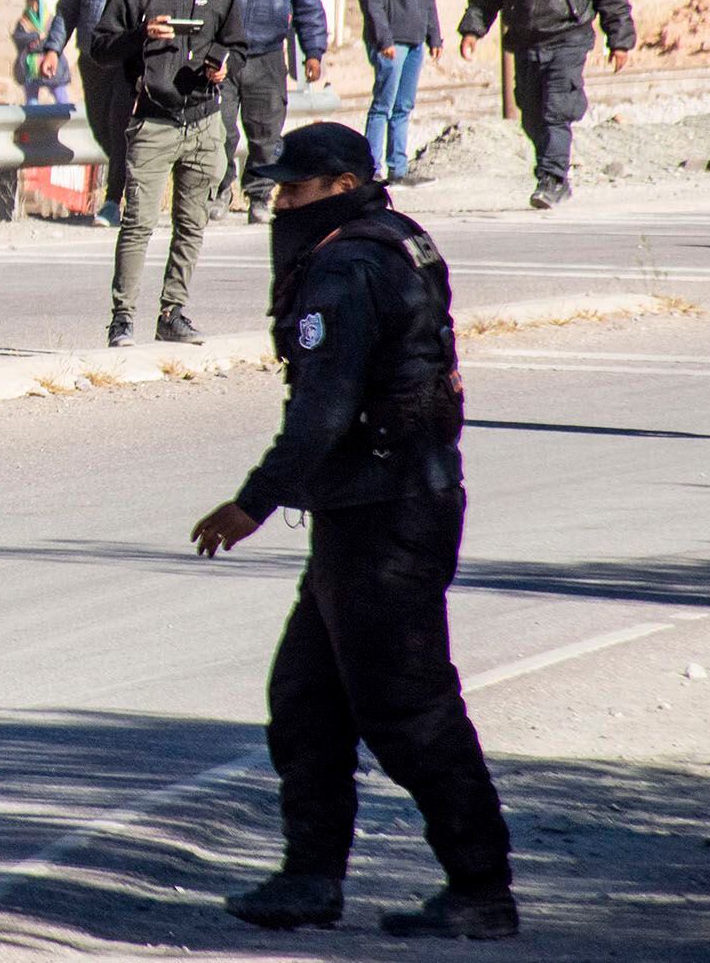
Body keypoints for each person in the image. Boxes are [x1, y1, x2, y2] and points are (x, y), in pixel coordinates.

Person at [190, 122, 516, 941]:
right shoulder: (396, 240)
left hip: (389, 515)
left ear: (339, 185)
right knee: (306, 698)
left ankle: (481, 886)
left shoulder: (348, 264)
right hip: (372, 508)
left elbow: (324, 409)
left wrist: (253, 501)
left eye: (293, 191)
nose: (280, 205)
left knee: (409, 708)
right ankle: (310, 878)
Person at [90, 0, 244, 348]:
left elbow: (238, 44)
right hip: (153, 122)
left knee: (192, 222)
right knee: (138, 223)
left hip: (203, 120)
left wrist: (223, 64)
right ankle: (122, 318)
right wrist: (141, 35)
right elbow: (100, 47)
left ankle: (173, 312)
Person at [458, 0, 632, 210]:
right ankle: (553, 177)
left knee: (556, 110)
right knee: (532, 115)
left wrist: (619, 40)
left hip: (568, 40)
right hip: (525, 44)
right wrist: (472, 30)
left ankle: (551, 179)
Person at [206, 0, 327, 225]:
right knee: (220, 130)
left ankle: (259, 196)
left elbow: (309, 9)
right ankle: (218, 192)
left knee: (266, 133)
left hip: (268, 57)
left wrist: (313, 52)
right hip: (223, 55)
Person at [42, 0, 156, 228]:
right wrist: (53, 47)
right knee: (101, 128)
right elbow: (67, 8)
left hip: (130, 57)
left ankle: (111, 201)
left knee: (120, 125)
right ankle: (133, 179)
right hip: (94, 58)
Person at [355, 0, 441, 186]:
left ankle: (399, 168)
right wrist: (384, 38)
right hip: (390, 41)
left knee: (404, 106)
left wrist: (434, 35)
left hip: (414, 38)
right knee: (383, 105)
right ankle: (372, 168)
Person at [12, 0, 69, 105]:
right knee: (31, 99)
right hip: (32, 65)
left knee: (60, 96)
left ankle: (67, 118)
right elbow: (18, 38)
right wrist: (34, 37)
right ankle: (33, 121)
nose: (33, 7)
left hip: (51, 62)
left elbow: (58, 37)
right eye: (31, 4)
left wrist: (43, 43)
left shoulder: (51, 21)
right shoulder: (24, 22)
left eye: (36, 4)